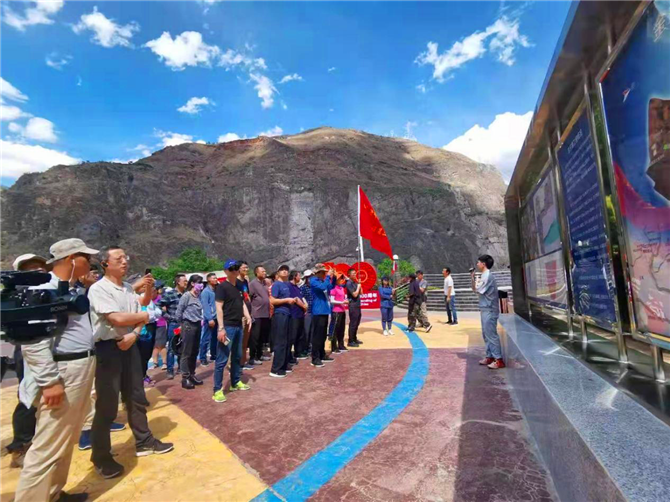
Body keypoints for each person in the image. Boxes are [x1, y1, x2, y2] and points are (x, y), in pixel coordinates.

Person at [14, 239, 99, 502]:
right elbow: (32, 341)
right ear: (72, 259)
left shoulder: (69, 290)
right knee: (48, 444)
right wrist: (50, 381)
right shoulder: (44, 291)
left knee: (65, 438)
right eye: (86, 257)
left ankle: (52, 493)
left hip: (79, 367)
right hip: (64, 370)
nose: (90, 263)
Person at [88, 246, 173, 479]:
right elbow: (116, 318)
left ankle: (144, 441)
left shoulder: (126, 288)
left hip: (130, 344)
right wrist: (146, 316)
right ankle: (101, 457)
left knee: (136, 396)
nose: (125, 261)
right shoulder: (99, 289)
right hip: (109, 348)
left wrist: (134, 333)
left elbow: (139, 309)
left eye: (125, 258)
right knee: (107, 405)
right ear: (105, 264)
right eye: (119, 258)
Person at [6, 254, 47, 469]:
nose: (39, 271)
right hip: (27, 348)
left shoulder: (47, 291)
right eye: (31, 268)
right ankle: (20, 447)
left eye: (41, 267)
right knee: (28, 397)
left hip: (48, 347)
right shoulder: (14, 296)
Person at [212, 260, 252, 403]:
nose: (234, 270)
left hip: (238, 325)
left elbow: (242, 303)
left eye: (236, 268)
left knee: (237, 356)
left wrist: (248, 316)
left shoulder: (240, 285)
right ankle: (217, 389)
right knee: (222, 359)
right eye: (231, 268)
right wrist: (221, 328)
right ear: (225, 271)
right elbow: (218, 308)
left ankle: (235, 382)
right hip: (227, 326)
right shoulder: (222, 287)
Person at [472, 254, 504, 369]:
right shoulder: (484, 275)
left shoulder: (487, 276)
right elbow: (475, 289)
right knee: (486, 334)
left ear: (484, 264)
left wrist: (474, 280)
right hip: (485, 308)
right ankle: (489, 356)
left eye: (478, 262)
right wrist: (473, 278)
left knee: (491, 334)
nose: (477, 264)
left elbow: (478, 289)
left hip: (490, 309)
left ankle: (498, 359)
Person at [176, 275, 205, 389]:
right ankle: (185, 377)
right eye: (199, 282)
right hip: (188, 325)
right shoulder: (186, 296)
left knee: (194, 351)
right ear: (192, 284)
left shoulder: (198, 296)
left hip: (197, 324)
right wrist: (182, 324)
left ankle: (192, 374)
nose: (201, 285)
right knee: (186, 352)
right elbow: (179, 312)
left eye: (201, 283)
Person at [159, 274, 187, 379]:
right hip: (174, 324)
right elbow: (158, 305)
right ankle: (170, 370)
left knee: (183, 346)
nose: (186, 283)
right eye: (184, 281)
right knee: (172, 347)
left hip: (185, 324)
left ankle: (181, 367)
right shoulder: (170, 294)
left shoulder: (186, 294)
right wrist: (169, 317)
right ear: (178, 282)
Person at [269, 265, 295, 378]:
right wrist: (287, 300)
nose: (284, 272)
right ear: (278, 273)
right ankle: (276, 369)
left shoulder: (286, 285)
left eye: (286, 270)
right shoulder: (276, 285)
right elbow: (273, 300)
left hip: (287, 314)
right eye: (282, 270)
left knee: (287, 341)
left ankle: (283, 365)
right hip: (280, 314)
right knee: (280, 341)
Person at [309, 264, 337, 368]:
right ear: (318, 273)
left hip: (325, 311)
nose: (325, 274)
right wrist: (329, 277)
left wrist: (334, 277)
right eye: (323, 272)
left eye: (325, 273)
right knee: (317, 336)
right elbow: (323, 287)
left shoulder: (322, 281)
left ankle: (322, 354)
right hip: (318, 311)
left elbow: (331, 287)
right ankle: (315, 358)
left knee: (323, 335)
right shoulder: (313, 281)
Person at [138, 286, 162, 386]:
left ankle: (144, 375)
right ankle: (141, 378)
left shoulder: (149, 300)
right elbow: (148, 316)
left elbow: (158, 313)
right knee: (143, 356)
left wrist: (153, 314)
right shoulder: (140, 298)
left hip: (151, 327)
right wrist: (152, 315)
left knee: (147, 355)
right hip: (144, 330)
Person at [249, 266, 272, 366]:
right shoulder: (253, 284)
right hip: (256, 314)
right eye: (262, 271)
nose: (264, 273)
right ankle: (252, 357)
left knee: (262, 336)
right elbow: (249, 298)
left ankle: (260, 354)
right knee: (255, 336)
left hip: (265, 313)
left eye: (265, 271)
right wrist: (250, 313)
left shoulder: (265, 283)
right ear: (256, 273)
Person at [288, 270, 309, 361]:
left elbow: (301, 297)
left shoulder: (297, 287)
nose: (300, 278)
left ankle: (298, 352)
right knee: (293, 335)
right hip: (294, 314)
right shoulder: (289, 286)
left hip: (300, 314)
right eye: (299, 276)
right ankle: (288, 355)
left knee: (300, 334)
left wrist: (305, 306)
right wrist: (304, 306)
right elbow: (295, 299)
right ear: (294, 276)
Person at [237, 262, 254, 370]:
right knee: (238, 341)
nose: (246, 269)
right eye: (244, 267)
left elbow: (247, 297)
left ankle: (242, 362)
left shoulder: (245, 282)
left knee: (245, 341)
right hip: (239, 315)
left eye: (247, 267)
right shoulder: (235, 282)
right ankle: (234, 364)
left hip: (247, 314)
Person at [199, 273, 218, 366]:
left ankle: (214, 355)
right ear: (209, 280)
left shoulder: (216, 290)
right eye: (213, 278)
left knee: (215, 338)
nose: (216, 279)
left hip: (217, 317)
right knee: (206, 339)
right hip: (210, 318)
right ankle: (202, 358)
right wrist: (210, 318)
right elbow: (205, 306)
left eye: (216, 278)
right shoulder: (206, 292)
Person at [151, 281, 169, 371]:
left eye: (152, 291)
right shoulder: (147, 300)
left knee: (161, 344)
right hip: (151, 324)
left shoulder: (161, 299)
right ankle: (155, 362)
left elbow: (165, 310)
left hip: (161, 324)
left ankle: (165, 362)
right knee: (154, 345)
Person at [330, 275, 349, 353]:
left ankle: (341, 345)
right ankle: (334, 347)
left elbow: (344, 298)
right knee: (335, 329)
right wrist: (342, 302)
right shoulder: (333, 289)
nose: (341, 280)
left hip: (342, 310)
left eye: (342, 279)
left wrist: (345, 300)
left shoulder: (342, 288)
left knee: (342, 328)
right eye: (340, 279)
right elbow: (332, 300)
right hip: (336, 311)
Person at [345, 268, 363, 347]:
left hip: (358, 305)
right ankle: (351, 341)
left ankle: (354, 338)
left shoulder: (355, 283)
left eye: (355, 273)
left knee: (357, 323)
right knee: (353, 323)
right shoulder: (349, 283)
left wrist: (360, 285)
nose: (355, 275)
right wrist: (358, 287)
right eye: (353, 273)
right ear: (349, 274)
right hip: (353, 305)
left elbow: (361, 293)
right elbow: (354, 295)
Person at [300, 269, 314, 353]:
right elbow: (302, 298)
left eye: (311, 276)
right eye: (308, 277)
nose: (310, 278)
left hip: (315, 311)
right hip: (307, 311)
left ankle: (311, 347)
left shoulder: (314, 287)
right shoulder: (303, 288)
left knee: (313, 331)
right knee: (306, 330)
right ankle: (305, 347)